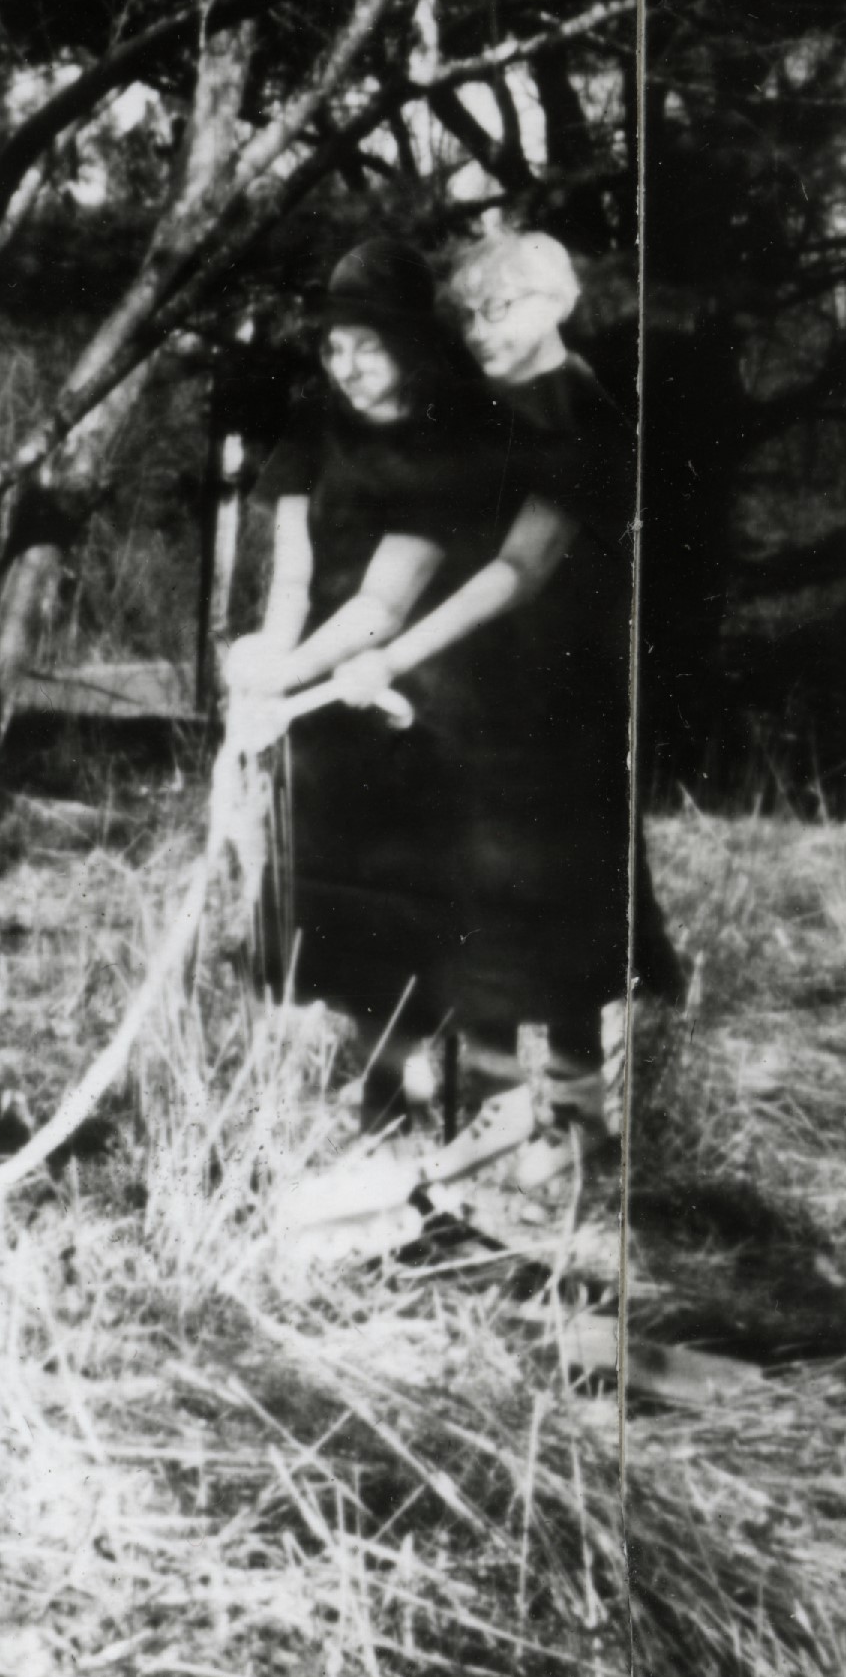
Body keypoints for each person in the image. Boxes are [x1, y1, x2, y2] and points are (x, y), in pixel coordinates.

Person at [313, 230, 682, 1109]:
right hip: (460, 698)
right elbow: (408, 556)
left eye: (500, 308)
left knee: (561, 913)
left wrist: (394, 654)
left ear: (555, 304)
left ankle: (577, 1124)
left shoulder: (584, 413)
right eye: (468, 314)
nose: (480, 330)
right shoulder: (464, 420)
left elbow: (520, 569)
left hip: (557, 698)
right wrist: (334, 655)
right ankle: (481, 1119)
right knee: (466, 903)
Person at [224, 241, 508, 1078]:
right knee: (311, 880)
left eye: (368, 345)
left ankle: (415, 1082)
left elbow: (384, 603)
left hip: (418, 685)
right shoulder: (316, 426)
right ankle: (333, 1078)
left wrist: (289, 675)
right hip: (320, 682)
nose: (346, 365)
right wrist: (267, 661)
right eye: (333, 346)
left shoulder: (453, 437)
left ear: (413, 343)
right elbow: (296, 574)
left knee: (402, 896)